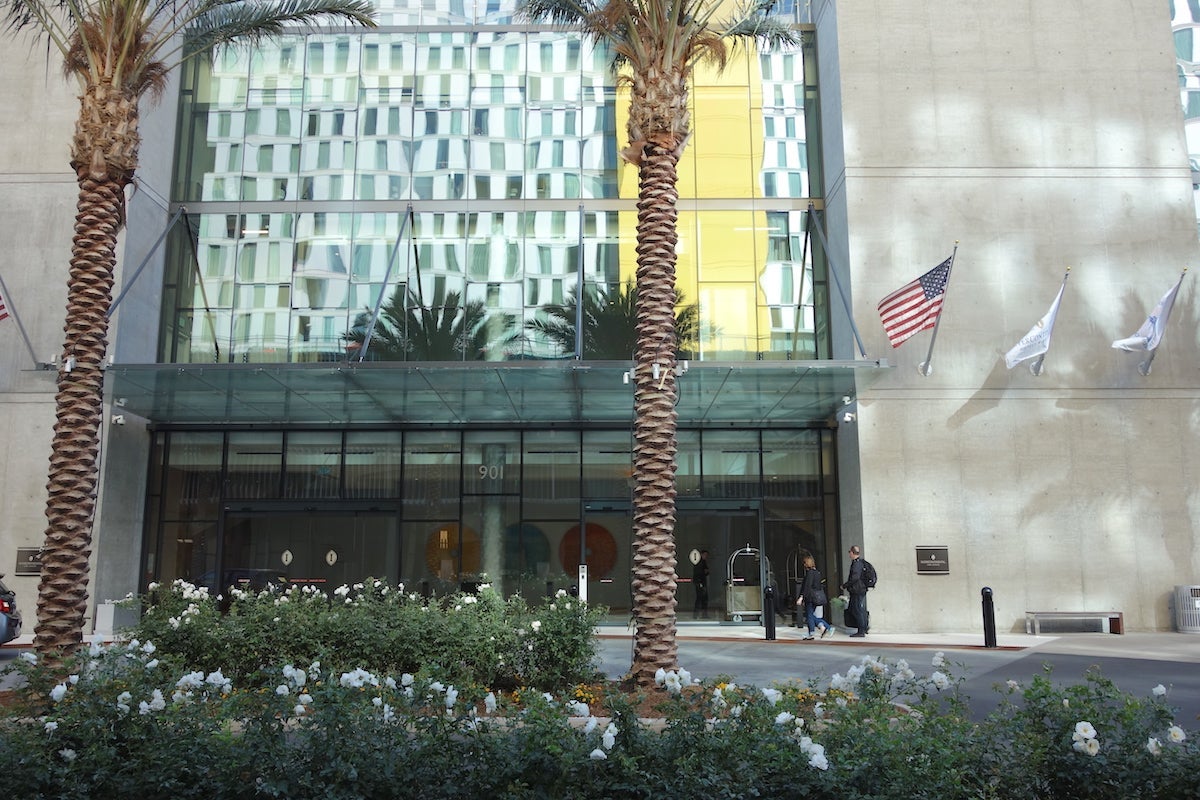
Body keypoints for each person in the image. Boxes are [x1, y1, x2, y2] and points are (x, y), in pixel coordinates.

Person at [796, 554, 833, 640]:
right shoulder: (817, 573)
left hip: (810, 597)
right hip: (816, 598)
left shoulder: (810, 573)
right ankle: (822, 628)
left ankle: (817, 630)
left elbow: (807, 586)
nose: (803, 565)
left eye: (804, 563)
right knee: (811, 615)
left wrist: (801, 597)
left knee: (809, 615)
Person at [843, 545, 869, 637]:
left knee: (857, 610)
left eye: (849, 552)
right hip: (859, 589)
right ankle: (863, 628)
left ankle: (861, 630)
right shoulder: (859, 563)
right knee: (857, 609)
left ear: (852, 552)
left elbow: (855, 578)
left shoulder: (856, 564)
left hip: (857, 590)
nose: (849, 554)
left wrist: (845, 585)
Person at [692, 549, 710, 619]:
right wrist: (699, 583)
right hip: (700, 583)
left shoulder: (703, 562)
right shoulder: (699, 563)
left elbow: (706, 571)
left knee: (703, 599)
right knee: (700, 598)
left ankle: (703, 614)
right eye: (705, 555)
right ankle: (697, 614)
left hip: (702, 582)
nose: (706, 556)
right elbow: (700, 573)